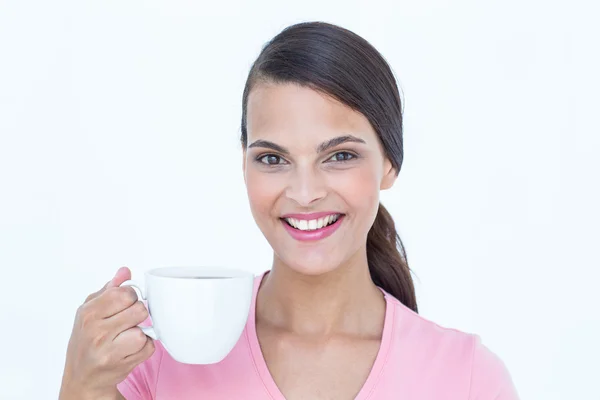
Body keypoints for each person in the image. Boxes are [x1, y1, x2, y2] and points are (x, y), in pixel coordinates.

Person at [59, 21, 520, 400]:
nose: (304, 193)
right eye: (273, 159)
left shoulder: (470, 379)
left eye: (339, 156)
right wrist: (80, 385)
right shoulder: (152, 363)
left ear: (390, 164)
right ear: (245, 165)